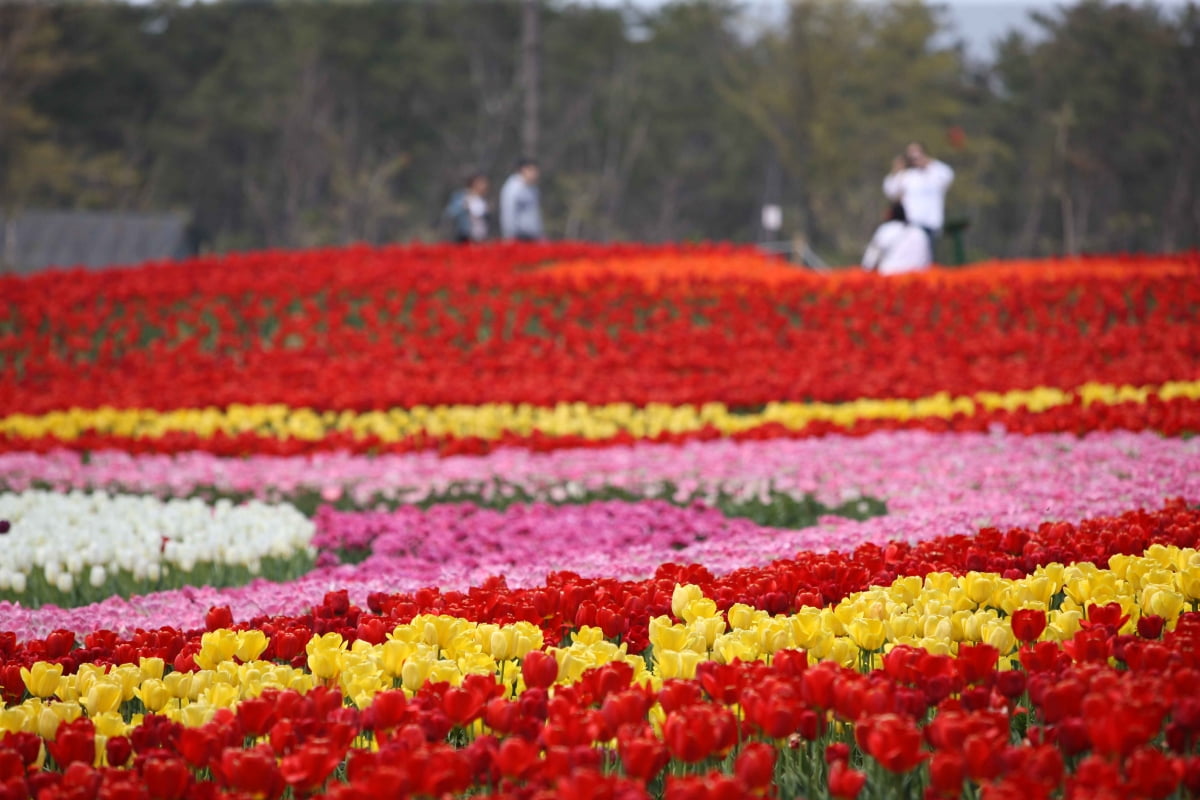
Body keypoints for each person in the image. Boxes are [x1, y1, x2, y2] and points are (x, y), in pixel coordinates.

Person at [882, 141, 954, 256]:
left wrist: (928, 163)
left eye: (918, 153)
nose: (915, 158)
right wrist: (896, 169)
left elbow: (948, 176)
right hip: (910, 224)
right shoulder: (907, 175)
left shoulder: (934, 172)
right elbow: (890, 190)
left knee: (927, 257)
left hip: (930, 223)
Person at [862, 202, 932, 275]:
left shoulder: (886, 229)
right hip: (917, 277)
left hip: (891, 276)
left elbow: (871, 256)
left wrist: (866, 271)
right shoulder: (920, 233)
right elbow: (927, 259)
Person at [499, 158, 543, 241]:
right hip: (518, 235)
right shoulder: (512, 188)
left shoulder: (533, 189)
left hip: (533, 235)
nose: (535, 174)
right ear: (522, 170)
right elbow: (508, 213)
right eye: (531, 170)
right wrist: (510, 236)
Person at [444, 173, 490, 244]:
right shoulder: (461, 196)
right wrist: (463, 206)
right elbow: (450, 212)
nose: (485, 186)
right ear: (474, 183)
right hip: (465, 236)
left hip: (481, 237)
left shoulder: (483, 200)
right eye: (482, 183)